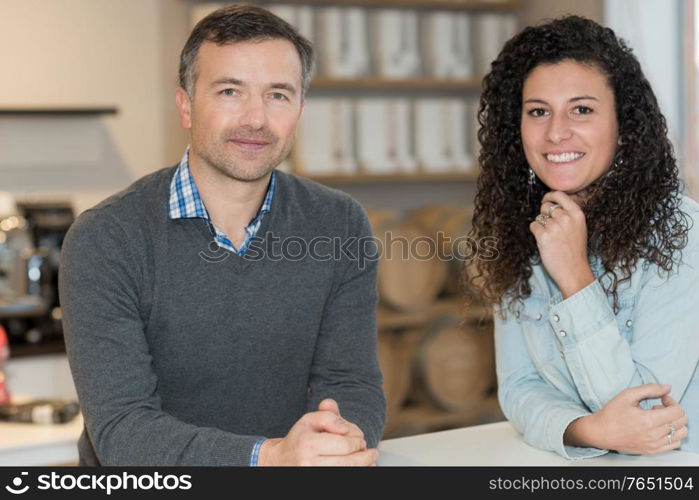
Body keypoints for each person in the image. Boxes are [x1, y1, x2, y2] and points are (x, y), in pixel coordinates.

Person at [59, 5, 385, 466]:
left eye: (278, 95)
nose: (256, 119)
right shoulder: (105, 239)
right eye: (230, 91)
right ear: (186, 105)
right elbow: (122, 431)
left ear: (299, 109)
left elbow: (351, 381)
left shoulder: (340, 222)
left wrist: (339, 437)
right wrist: (269, 457)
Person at [468, 15, 698, 459]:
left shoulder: (683, 236)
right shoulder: (525, 228)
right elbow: (519, 388)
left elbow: (648, 414)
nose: (556, 132)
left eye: (582, 109)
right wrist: (587, 431)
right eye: (538, 111)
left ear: (623, 125)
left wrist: (575, 277)